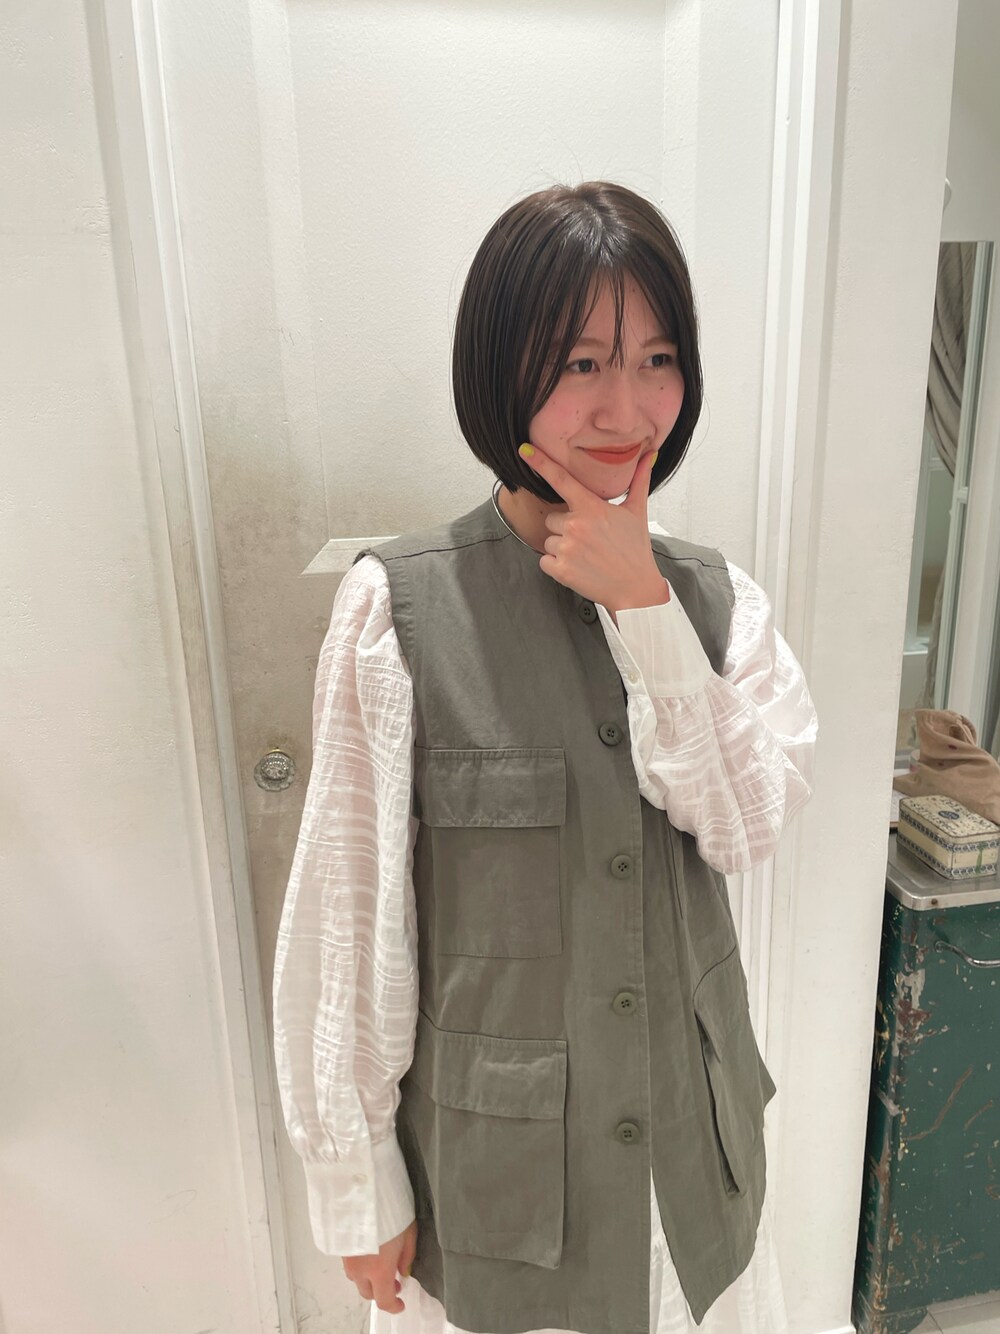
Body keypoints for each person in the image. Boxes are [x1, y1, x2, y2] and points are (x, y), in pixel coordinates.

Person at [272, 181, 819, 1334]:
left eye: (658, 359)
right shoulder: (396, 611)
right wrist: (355, 1181)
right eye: (581, 363)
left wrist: (649, 611)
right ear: (501, 370)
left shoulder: (718, 599)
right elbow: (352, 918)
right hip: (499, 1187)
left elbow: (750, 825)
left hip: (690, 1168)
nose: (627, 406)